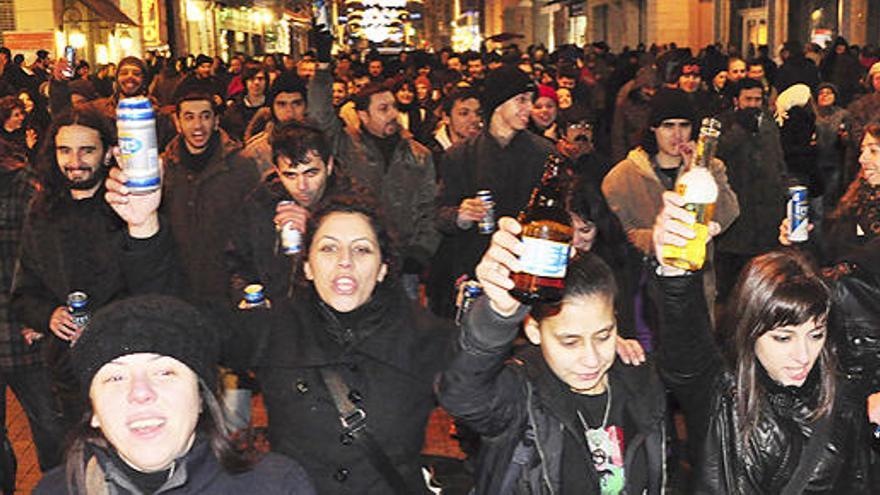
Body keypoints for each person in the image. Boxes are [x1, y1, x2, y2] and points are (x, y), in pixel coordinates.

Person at [218, 195, 454, 493]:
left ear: (383, 269)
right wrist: (144, 229)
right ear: (307, 266)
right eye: (329, 248)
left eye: (362, 249)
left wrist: (496, 319)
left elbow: (486, 398)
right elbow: (178, 331)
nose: (345, 261)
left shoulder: (427, 336)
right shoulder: (275, 328)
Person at [652, 192, 872, 493]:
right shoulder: (721, 395)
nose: (803, 355)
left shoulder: (841, 398)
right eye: (783, 338)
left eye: (815, 334)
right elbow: (684, 348)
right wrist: (676, 273)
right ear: (749, 331)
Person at [438, 220, 660, 494]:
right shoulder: (522, 395)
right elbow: (462, 396)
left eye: (603, 335)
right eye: (570, 342)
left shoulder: (638, 381)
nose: (591, 359)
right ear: (533, 329)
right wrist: (497, 318)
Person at [33, 295, 316, 494]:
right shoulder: (53, 491)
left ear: (201, 398)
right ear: (93, 411)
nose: (140, 393)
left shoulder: (276, 485)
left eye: (164, 373)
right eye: (116, 377)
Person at [11, 106, 178, 431]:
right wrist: (48, 315)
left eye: (86, 150)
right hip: (68, 371)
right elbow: (24, 291)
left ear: (106, 154)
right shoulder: (43, 210)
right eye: (65, 150)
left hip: (129, 364)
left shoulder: (131, 206)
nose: (75, 161)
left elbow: (157, 283)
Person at [309, 31, 440, 300]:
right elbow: (320, 116)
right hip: (354, 260)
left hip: (403, 266)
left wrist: (421, 251)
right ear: (362, 115)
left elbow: (430, 207)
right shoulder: (344, 145)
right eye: (382, 109)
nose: (392, 114)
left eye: (393, 107)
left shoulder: (419, 154)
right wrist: (323, 67)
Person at [602, 89, 739, 318]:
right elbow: (616, 239)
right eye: (668, 125)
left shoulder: (711, 168)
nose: (677, 134)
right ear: (653, 128)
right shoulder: (622, 177)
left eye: (684, 125)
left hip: (697, 289)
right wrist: (659, 240)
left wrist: (698, 169)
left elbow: (726, 216)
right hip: (643, 293)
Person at [226, 123, 357, 303]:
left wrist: (315, 231)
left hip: (327, 320)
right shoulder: (260, 203)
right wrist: (248, 297)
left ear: (329, 166)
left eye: (311, 173)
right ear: (277, 172)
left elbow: (369, 269)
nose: (302, 186)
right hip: (275, 318)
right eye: (290, 175)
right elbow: (237, 261)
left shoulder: (354, 204)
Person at [0, 140, 64, 492]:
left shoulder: (24, 187)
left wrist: (40, 314)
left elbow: (46, 259)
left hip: (22, 329)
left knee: (51, 431)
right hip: (20, 325)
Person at [161, 89, 260, 302]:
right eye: (189, 117)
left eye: (205, 116)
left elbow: (255, 226)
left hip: (227, 286)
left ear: (216, 122)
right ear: (177, 123)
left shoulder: (241, 166)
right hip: (179, 285)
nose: (198, 126)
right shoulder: (164, 168)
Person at [242, 72, 309, 178]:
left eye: (296, 104)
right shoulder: (257, 150)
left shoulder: (319, 143)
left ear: (306, 106)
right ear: (272, 108)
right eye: (282, 104)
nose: (290, 111)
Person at [221, 65, 269, 143]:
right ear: (245, 82)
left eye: (260, 79)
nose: (256, 83)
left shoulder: (272, 106)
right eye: (252, 79)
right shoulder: (234, 106)